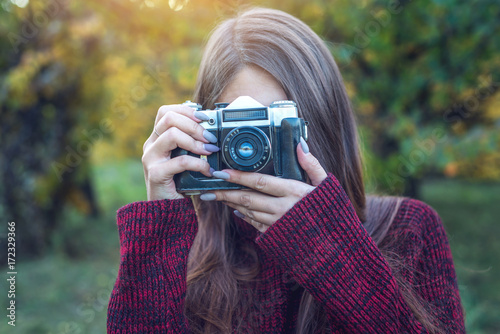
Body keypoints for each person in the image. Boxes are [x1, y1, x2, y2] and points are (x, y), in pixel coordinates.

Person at [107, 7, 465, 334]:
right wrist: (159, 224)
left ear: (320, 124)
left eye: (270, 125)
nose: (249, 148)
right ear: (203, 129)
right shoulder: (183, 253)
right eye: (234, 127)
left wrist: (326, 244)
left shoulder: (409, 229)